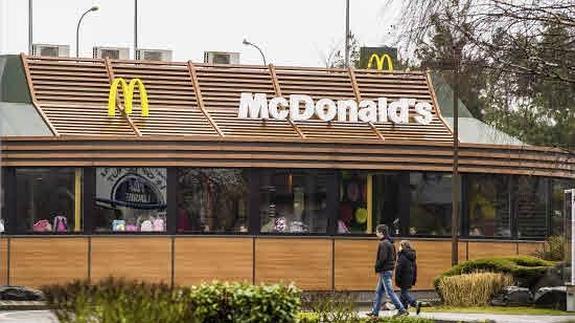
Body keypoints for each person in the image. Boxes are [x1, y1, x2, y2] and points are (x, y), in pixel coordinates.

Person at [366, 224, 408, 318]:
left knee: (389, 292)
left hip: (384, 271)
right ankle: (375, 312)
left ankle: (402, 310)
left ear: (381, 232)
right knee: (379, 292)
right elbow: (394, 257)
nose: (376, 233)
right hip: (387, 270)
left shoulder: (383, 243)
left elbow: (382, 259)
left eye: (377, 231)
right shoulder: (390, 243)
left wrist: (377, 266)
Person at [395, 240, 422, 315]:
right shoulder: (412, 255)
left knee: (404, 293)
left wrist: (397, 279)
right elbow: (415, 268)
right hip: (410, 278)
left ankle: (415, 303)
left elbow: (399, 269)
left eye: (400, 246)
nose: (399, 247)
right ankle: (403, 311)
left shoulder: (402, 255)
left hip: (403, 278)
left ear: (403, 246)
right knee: (402, 295)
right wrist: (414, 278)